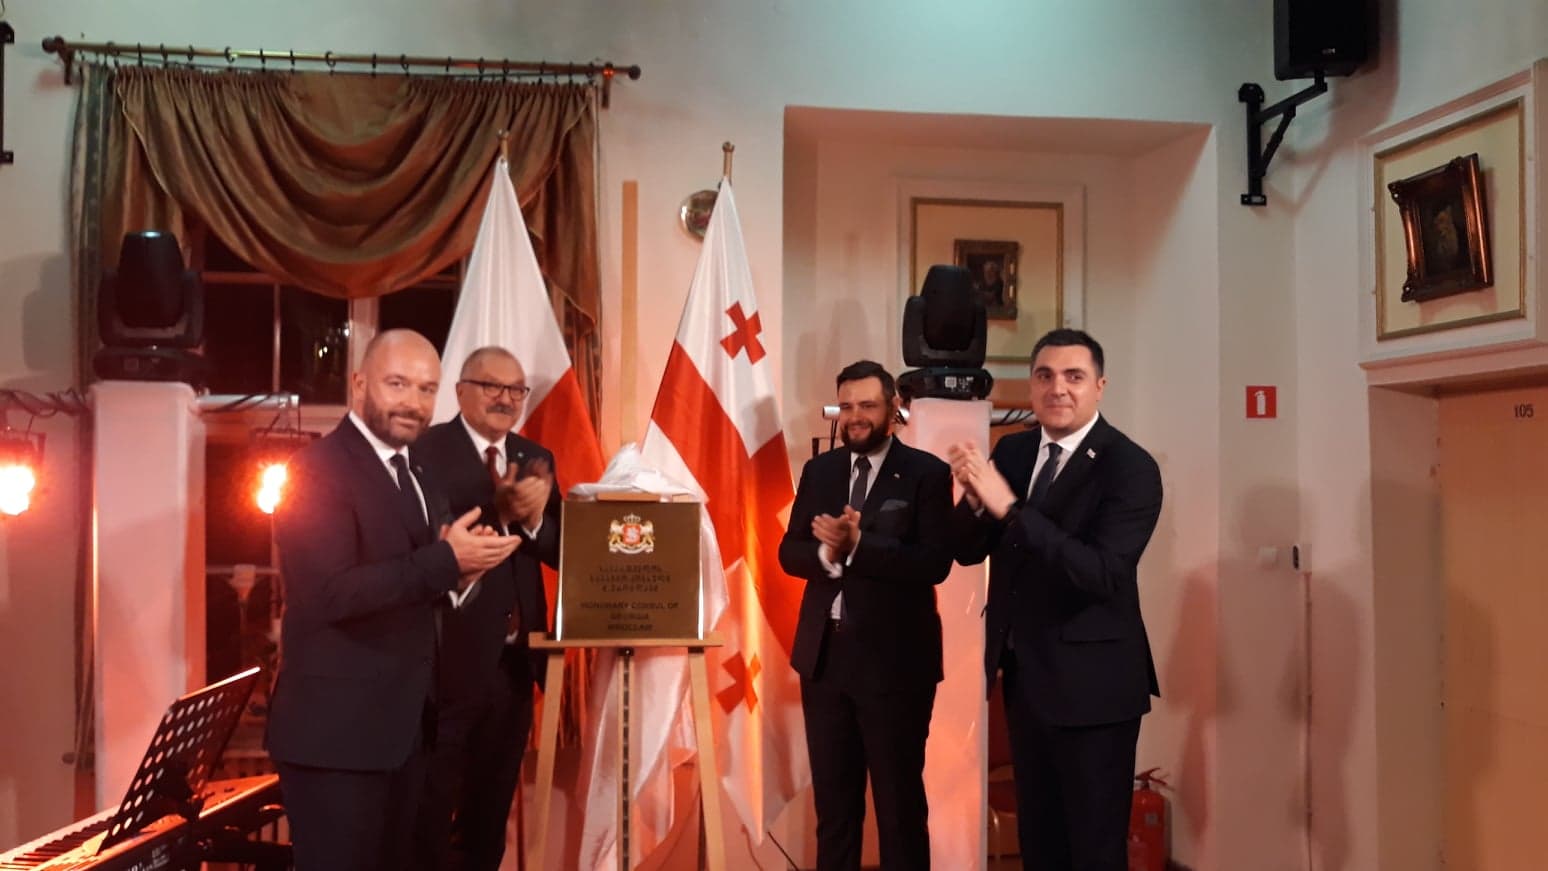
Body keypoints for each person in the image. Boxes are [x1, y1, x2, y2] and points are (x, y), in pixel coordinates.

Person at [266, 329, 521, 871]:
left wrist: (465, 573)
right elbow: (329, 592)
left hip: (405, 734)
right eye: (398, 384)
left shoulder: (417, 472)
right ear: (359, 384)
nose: (413, 403)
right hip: (336, 740)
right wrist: (445, 561)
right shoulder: (316, 469)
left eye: (426, 390)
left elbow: (420, 584)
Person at [948, 328, 1163, 871]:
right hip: (1026, 680)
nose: (1057, 388)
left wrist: (1011, 510)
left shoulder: (1129, 466)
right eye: (1044, 376)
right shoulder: (1015, 450)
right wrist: (975, 498)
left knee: (1092, 848)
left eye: (1073, 376)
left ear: (1100, 386)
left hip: (1096, 690)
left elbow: (1101, 573)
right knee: (1040, 844)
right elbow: (967, 550)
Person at [779, 359, 954, 871]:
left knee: (899, 812)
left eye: (867, 405)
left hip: (895, 668)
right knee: (835, 813)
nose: (855, 417)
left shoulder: (926, 473)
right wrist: (827, 553)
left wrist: (859, 545)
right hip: (824, 661)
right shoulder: (820, 471)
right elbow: (789, 551)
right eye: (846, 406)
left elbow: (935, 562)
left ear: (893, 408)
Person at [412, 346, 561, 871]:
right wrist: (500, 513)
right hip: (444, 668)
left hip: (515, 666)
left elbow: (562, 550)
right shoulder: (425, 451)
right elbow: (423, 547)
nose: (505, 399)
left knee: (488, 820)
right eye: (492, 386)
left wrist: (535, 521)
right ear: (460, 392)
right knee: (430, 823)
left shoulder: (536, 455)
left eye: (516, 389)